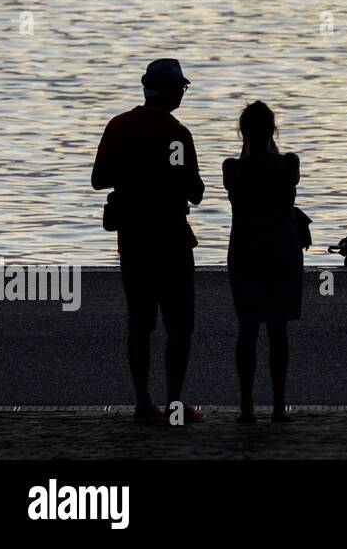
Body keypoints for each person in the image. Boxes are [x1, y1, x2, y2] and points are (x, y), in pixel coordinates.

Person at [91, 58, 204, 422]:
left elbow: (99, 179)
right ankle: (174, 402)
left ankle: (143, 401)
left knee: (140, 323)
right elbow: (196, 191)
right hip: (172, 239)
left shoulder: (119, 126)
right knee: (179, 326)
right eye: (182, 89)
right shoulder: (177, 134)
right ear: (173, 92)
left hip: (134, 240)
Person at [224, 101, 305, 424]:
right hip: (281, 248)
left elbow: (249, 192)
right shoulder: (289, 164)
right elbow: (283, 201)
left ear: (242, 131)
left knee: (247, 328)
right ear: (273, 129)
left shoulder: (232, 168)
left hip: (245, 247)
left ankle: (246, 408)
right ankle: (278, 406)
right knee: (278, 330)